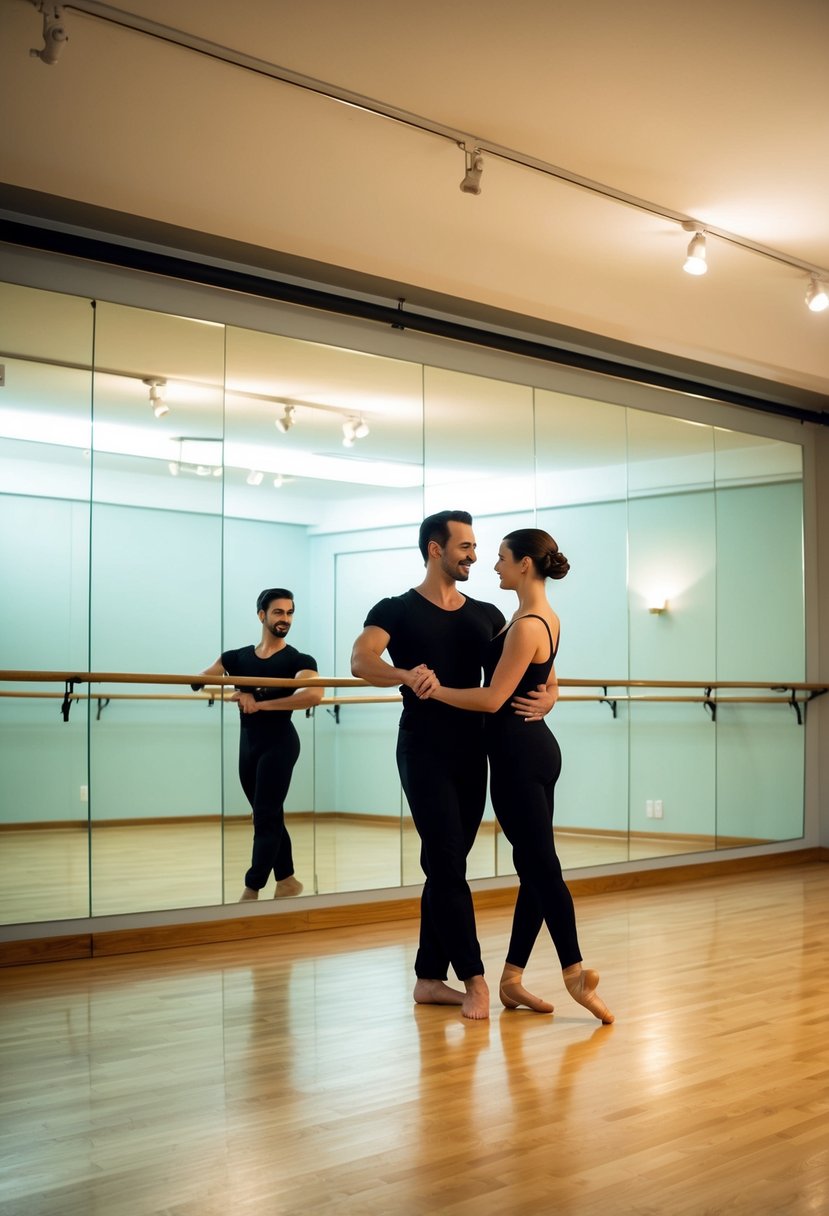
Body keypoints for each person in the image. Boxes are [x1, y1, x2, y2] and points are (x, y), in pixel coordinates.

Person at [350, 511, 556, 1020]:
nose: (475, 556)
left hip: (476, 750)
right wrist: (404, 674)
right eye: (464, 546)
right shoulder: (395, 609)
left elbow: (535, 667)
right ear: (435, 549)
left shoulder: (487, 614)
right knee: (443, 859)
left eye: (477, 546)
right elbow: (361, 660)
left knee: (447, 864)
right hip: (423, 749)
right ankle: (475, 978)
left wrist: (550, 697)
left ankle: (427, 978)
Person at [414, 528, 614, 1024]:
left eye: (501, 558)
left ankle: (575, 970)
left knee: (541, 866)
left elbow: (490, 699)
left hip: (517, 759)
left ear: (525, 564)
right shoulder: (543, 618)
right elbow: (546, 681)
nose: (494, 565)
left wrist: (433, 690)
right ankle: (512, 979)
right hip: (533, 750)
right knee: (533, 865)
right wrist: (552, 696)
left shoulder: (525, 625)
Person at [196, 588, 323, 902]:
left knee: (264, 815)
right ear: (261, 615)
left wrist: (260, 703)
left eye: (290, 612)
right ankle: (288, 880)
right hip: (248, 744)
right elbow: (200, 681)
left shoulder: (298, 659)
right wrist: (234, 692)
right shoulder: (236, 658)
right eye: (278, 612)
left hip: (280, 743)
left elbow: (313, 695)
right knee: (269, 814)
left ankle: (251, 889)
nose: (285, 619)